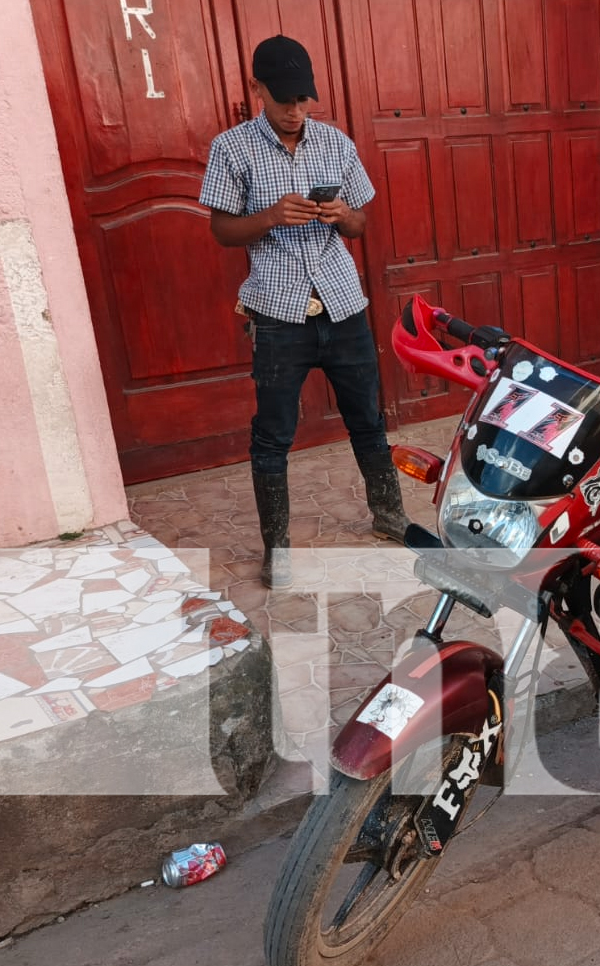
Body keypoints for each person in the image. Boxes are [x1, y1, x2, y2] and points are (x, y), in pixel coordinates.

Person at [198, 35, 409, 589]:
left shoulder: (335, 143)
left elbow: (361, 225)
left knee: (368, 418)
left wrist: (341, 215)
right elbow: (221, 230)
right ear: (257, 89)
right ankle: (279, 550)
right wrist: (269, 216)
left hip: (342, 305)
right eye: (283, 99)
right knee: (273, 434)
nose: (295, 111)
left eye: (304, 100)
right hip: (277, 312)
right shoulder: (232, 147)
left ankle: (389, 516)